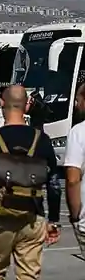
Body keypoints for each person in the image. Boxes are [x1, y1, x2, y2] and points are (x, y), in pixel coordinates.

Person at [0, 85, 61, 280]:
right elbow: (54, 184)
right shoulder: (41, 139)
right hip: (33, 217)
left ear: (2, 104)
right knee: (29, 275)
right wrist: (53, 220)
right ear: (27, 106)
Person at [64, 83, 85, 258]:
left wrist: (75, 216)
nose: (77, 105)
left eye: (78, 100)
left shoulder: (79, 132)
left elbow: (72, 179)